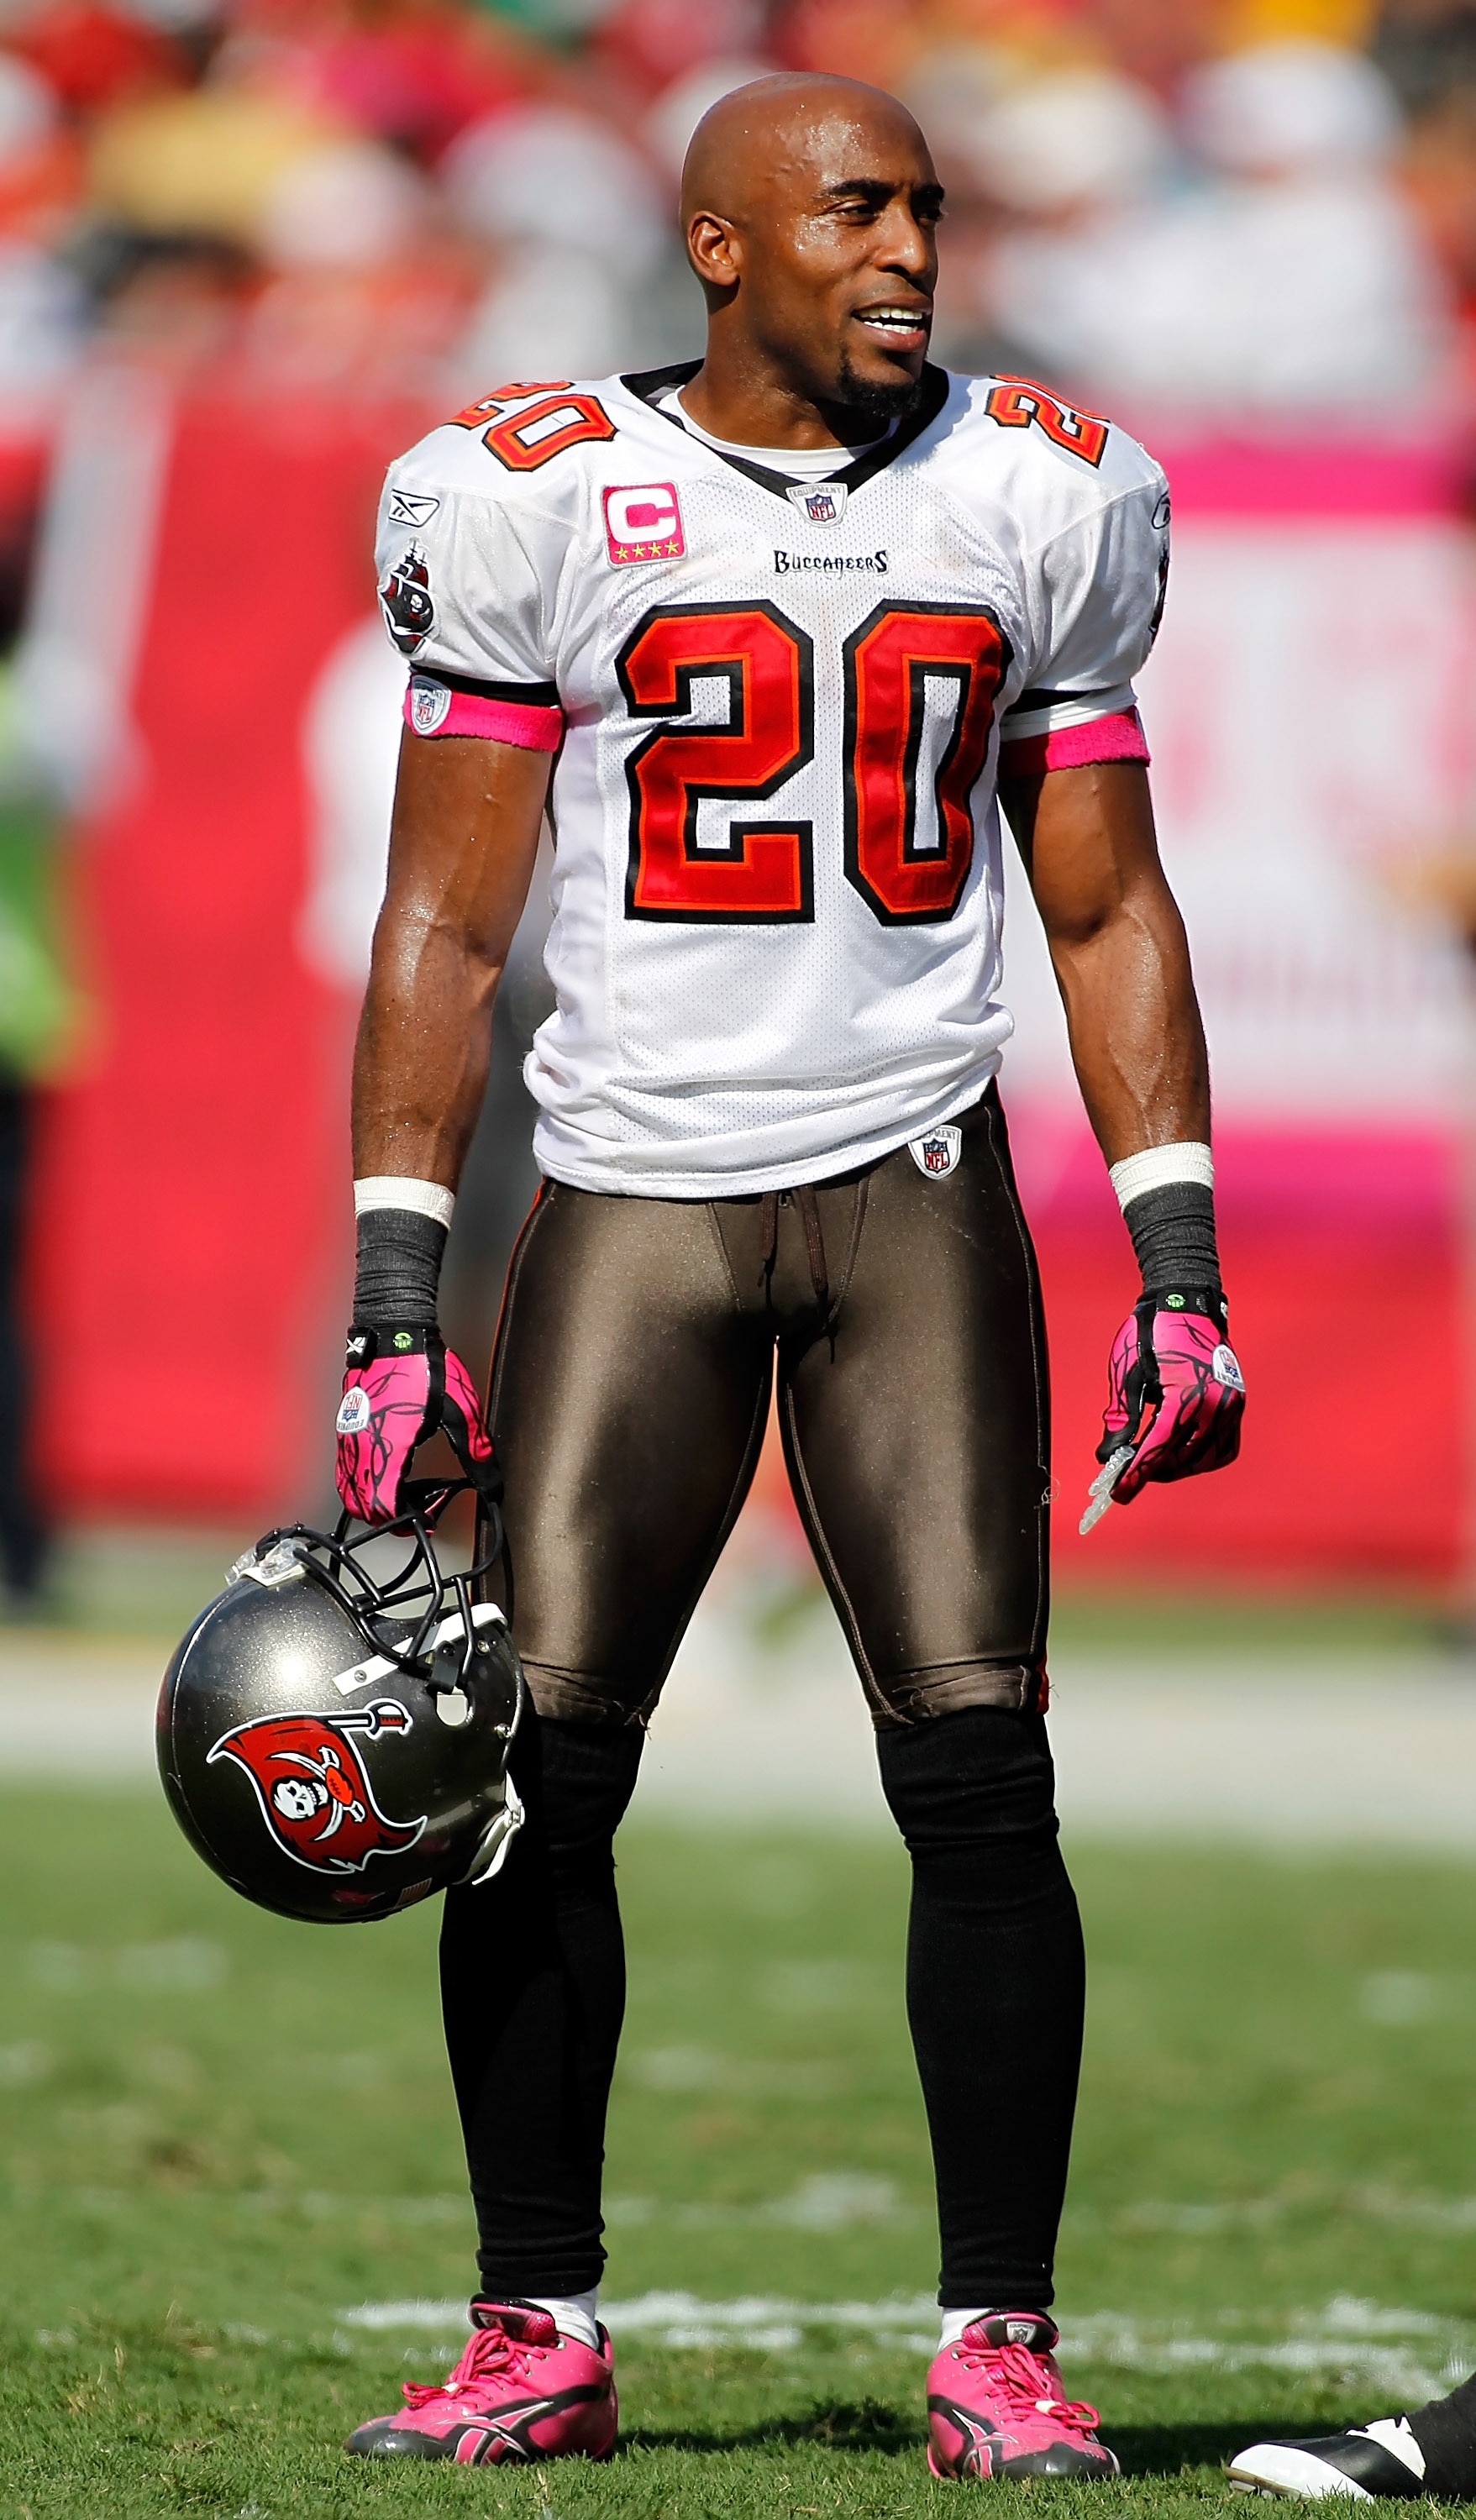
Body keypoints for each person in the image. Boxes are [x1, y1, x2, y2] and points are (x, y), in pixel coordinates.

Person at [333, 70, 1245, 2478]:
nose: (912, 245)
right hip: (630, 1186)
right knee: (536, 1786)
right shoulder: (527, 487)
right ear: (718, 244)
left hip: (915, 1184)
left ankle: (1001, 2343)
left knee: (983, 1774)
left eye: (928, 203)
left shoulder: (1048, 486)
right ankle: (534, 2327)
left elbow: (1106, 900)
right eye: (854, 205)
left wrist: (1178, 1257)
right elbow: (443, 916)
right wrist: (394, 1298)